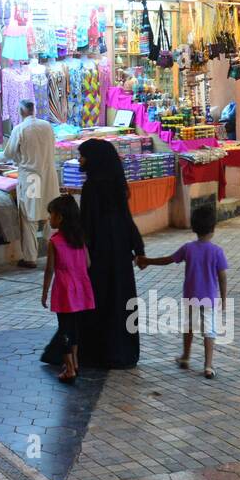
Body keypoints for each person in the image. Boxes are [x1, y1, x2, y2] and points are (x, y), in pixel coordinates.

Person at [45, 137, 143, 369]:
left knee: (96, 303)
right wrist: (138, 248)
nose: (80, 160)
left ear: (95, 159)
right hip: (119, 254)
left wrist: (77, 250)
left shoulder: (93, 186)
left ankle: (95, 353)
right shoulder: (117, 184)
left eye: (83, 156)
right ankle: (122, 352)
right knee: (120, 301)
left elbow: (86, 225)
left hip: (98, 254)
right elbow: (127, 219)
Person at [137, 204, 229, 379]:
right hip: (209, 298)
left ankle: (186, 356)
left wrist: (147, 260)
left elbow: (168, 260)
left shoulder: (188, 248)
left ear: (194, 228)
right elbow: (223, 277)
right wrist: (223, 299)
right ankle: (208, 366)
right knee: (209, 331)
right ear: (213, 229)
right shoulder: (217, 251)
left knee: (189, 327)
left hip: (191, 297)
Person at [40, 195, 95, 384]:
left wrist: (45, 291)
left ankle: (69, 368)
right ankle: (76, 362)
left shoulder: (54, 242)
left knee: (64, 329)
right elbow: (88, 263)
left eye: (51, 214)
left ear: (60, 217)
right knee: (74, 328)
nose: (49, 218)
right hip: (81, 288)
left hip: (64, 289)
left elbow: (49, 270)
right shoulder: (80, 239)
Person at [4, 99, 60, 269]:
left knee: (29, 217)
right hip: (49, 176)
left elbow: (9, 153)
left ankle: (30, 258)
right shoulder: (47, 126)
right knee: (52, 214)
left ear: (21, 112)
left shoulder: (20, 129)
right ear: (33, 110)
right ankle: (56, 252)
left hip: (32, 179)